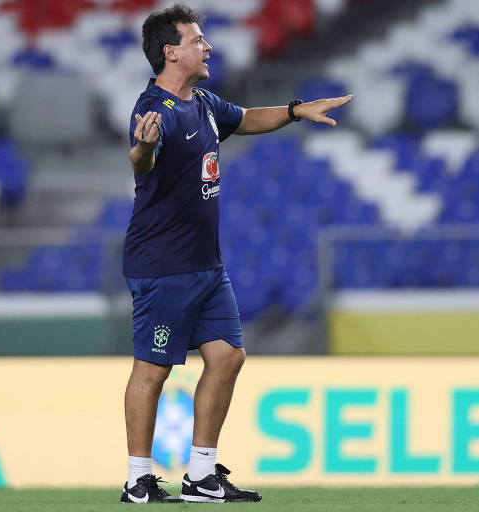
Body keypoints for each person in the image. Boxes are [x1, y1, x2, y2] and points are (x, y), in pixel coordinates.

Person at [120, 3, 352, 504]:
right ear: (171, 52)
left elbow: (245, 119)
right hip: (163, 264)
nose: (208, 47)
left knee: (228, 356)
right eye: (198, 40)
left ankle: (201, 475)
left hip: (206, 265)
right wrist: (142, 149)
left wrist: (294, 111)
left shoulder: (202, 103)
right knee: (154, 369)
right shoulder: (151, 111)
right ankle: (138, 478)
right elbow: (142, 162)